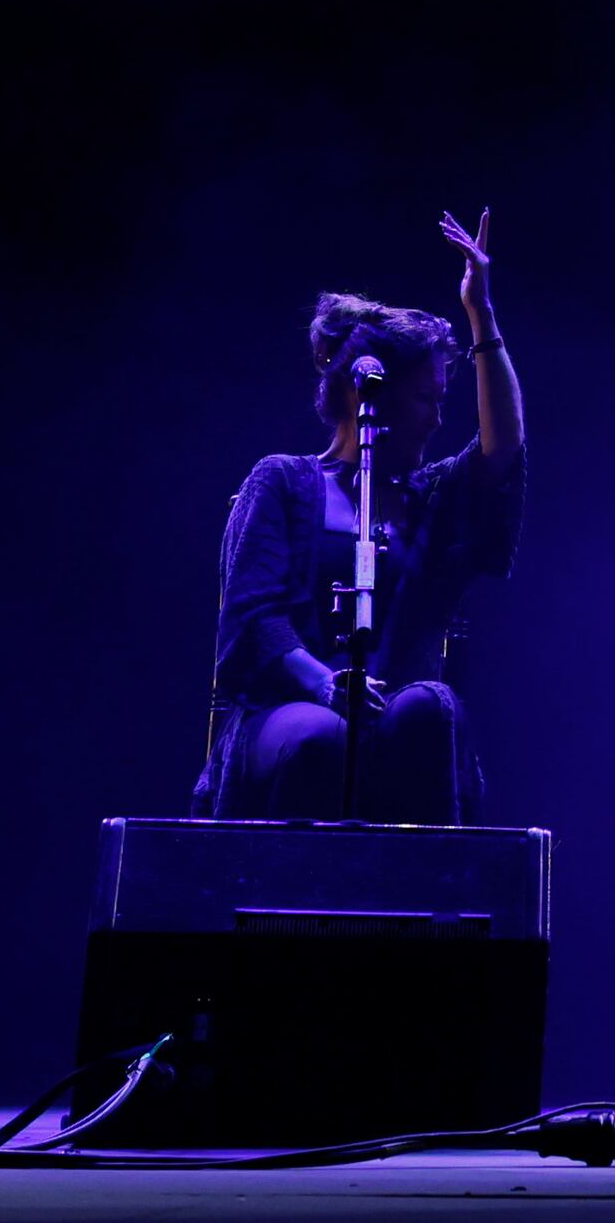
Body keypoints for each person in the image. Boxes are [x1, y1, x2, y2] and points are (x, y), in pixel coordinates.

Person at [199, 210, 524, 823]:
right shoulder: (283, 481)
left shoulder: (429, 495)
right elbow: (254, 617)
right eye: (426, 398)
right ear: (364, 394)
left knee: (433, 709)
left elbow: (500, 449)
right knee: (319, 738)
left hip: (391, 703)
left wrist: (482, 316)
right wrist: (326, 685)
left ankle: (424, 904)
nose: (436, 417)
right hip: (289, 707)